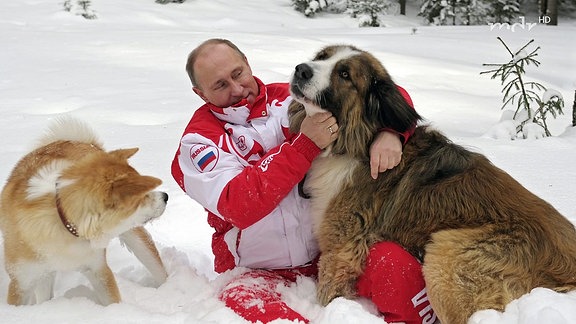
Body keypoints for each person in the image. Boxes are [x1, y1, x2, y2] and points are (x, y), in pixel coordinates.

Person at [171, 38, 436, 324]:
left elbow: (386, 92)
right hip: (256, 274)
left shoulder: (290, 97)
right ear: (200, 93)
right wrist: (304, 145)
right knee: (255, 309)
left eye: (238, 74)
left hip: (326, 256)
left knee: (392, 262)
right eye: (220, 86)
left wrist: (393, 131)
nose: (237, 90)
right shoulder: (198, 142)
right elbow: (238, 205)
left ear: (247, 62)